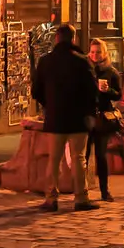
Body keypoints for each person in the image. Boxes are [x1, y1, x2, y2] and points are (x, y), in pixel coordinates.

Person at [31, 23, 100, 209]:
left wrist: (48, 105)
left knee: (54, 159)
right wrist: (89, 112)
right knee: (78, 158)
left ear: (56, 38)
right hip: (78, 118)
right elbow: (92, 91)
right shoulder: (81, 61)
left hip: (55, 117)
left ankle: (51, 198)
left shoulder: (46, 61)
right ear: (74, 39)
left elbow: (36, 90)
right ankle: (81, 198)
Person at [87, 40, 124, 200]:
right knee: (84, 156)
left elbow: (118, 94)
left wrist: (107, 90)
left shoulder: (111, 72)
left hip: (102, 117)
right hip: (86, 116)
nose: (95, 55)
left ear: (104, 53)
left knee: (101, 155)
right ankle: (82, 190)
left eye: (98, 52)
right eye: (93, 52)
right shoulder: (85, 69)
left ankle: (104, 190)